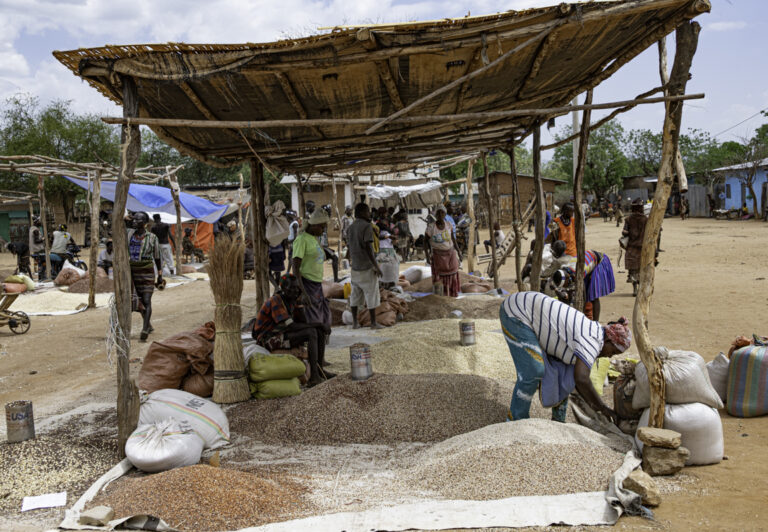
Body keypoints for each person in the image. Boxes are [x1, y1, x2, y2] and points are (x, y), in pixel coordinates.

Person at [500, 291, 632, 423]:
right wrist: (603, 408)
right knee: (533, 370)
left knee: (565, 375)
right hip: (516, 312)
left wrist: (595, 406)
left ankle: (558, 421)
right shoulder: (593, 340)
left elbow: (575, 379)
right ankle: (515, 420)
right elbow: (582, 379)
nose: (609, 356)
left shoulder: (595, 332)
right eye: (612, 351)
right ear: (609, 340)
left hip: (528, 309)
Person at [252, 274, 332, 387]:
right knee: (312, 332)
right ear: (283, 289)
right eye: (292, 288)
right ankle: (314, 377)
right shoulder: (276, 301)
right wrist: (319, 324)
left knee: (318, 331)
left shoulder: (291, 300)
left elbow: (303, 322)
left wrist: (300, 304)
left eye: (297, 288)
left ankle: (319, 371)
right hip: (268, 339)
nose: (295, 291)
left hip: (282, 334)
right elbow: (291, 326)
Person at [292, 208, 333, 337]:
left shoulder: (314, 239)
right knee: (314, 322)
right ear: (314, 226)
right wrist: (303, 292)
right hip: (307, 284)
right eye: (322, 227)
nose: (323, 230)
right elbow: (295, 268)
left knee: (323, 321)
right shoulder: (301, 240)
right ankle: (315, 355)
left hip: (316, 285)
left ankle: (321, 356)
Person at [347, 203, 384, 329]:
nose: (369, 214)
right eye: (368, 211)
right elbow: (369, 248)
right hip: (367, 266)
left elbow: (349, 247)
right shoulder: (367, 226)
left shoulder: (350, 228)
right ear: (362, 213)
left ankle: (355, 322)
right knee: (371, 294)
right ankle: (373, 323)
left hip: (355, 267)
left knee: (355, 295)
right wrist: (376, 266)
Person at [127, 212, 162, 342]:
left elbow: (157, 257)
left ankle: (145, 329)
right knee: (136, 300)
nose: (134, 221)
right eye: (134, 219)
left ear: (145, 222)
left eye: (138, 219)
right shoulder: (129, 235)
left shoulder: (152, 237)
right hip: (133, 273)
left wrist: (160, 274)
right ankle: (149, 324)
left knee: (146, 300)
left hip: (147, 273)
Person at [424, 204, 461, 297]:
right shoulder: (431, 227)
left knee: (453, 272)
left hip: (450, 253)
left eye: (442, 212)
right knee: (439, 275)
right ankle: (441, 295)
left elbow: (453, 239)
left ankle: (452, 293)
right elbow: (425, 242)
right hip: (438, 255)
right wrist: (427, 256)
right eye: (439, 212)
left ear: (445, 214)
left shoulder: (448, 225)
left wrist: (459, 251)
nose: (440, 214)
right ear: (436, 214)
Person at [622, 198, 648, 296]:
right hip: (643, 248)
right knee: (642, 269)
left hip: (632, 248)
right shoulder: (646, 219)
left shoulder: (628, 219)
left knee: (633, 270)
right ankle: (641, 289)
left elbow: (624, 232)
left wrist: (630, 233)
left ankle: (635, 290)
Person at [318, 205, 340, 282]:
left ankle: (335, 279)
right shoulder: (321, 221)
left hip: (323, 246)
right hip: (320, 246)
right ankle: (336, 279)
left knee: (334, 258)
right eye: (329, 211)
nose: (330, 213)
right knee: (335, 258)